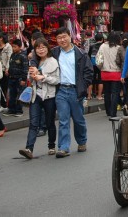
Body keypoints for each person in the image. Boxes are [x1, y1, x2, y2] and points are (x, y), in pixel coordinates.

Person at [52, 27, 93, 158]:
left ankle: (82, 141)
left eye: (64, 36)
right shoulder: (54, 53)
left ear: (70, 36)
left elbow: (89, 72)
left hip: (76, 91)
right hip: (61, 90)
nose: (62, 40)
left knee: (78, 119)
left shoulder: (81, 53)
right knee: (63, 120)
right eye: (59, 38)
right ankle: (63, 147)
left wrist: (83, 86)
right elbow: (38, 55)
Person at [20, 38, 60, 159]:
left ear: (47, 48)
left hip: (49, 96)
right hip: (35, 95)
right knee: (33, 123)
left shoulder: (53, 62)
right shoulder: (34, 62)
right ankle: (29, 148)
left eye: (43, 47)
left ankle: (51, 146)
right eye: (38, 48)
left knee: (49, 122)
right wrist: (32, 75)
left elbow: (57, 80)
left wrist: (43, 77)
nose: (41, 50)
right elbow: (31, 80)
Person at [96, 31, 125, 117]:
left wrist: (101, 68)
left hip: (105, 73)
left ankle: (108, 111)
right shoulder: (119, 48)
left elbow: (98, 60)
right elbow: (122, 61)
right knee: (115, 93)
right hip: (116, 72)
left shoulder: (102, 46)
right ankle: (113, 112)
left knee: (107, 93)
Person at [3, 39, 28, 117]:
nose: (13, 48)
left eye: (15, 47)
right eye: (12, 47)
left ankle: (19, 110)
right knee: (12, 94)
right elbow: (11, 65)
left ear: (20, 47)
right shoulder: (13, 55)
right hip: (12, 78)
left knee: (19, 95)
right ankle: (12, 109)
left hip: (19, 79)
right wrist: (8, 71)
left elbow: (25, 69)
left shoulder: (23, 56)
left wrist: (23, 79)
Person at [0, 32, 12, 111]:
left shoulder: (8, 47)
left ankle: (4, 105)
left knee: (4, 87)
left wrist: (7, 68)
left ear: (1, 38)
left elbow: (9, 58)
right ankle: (0, 104)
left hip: (5, 70)